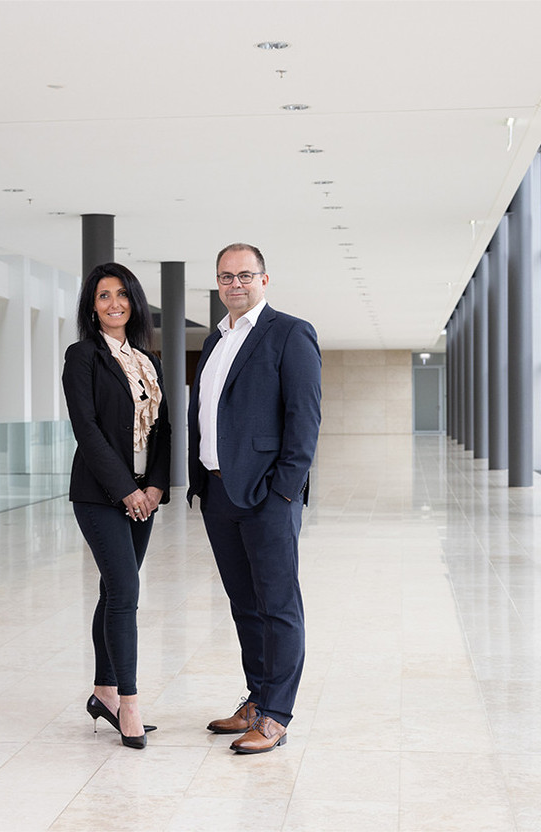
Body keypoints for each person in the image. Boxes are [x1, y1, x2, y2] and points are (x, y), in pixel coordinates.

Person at [187, 243, 322, 754]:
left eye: (245, 275)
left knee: (279, 605)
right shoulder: (215, 340)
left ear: (265, 280)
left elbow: (303, 419)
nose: (235, 284)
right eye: (226, 277)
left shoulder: (289, 332)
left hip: (268, 495)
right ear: (217, 284)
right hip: (219, 490)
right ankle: (258, 696)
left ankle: (277, 715)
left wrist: (284, 491)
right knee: (244, 603)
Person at [62, 262, 171, 750]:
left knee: (113, 590)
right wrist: (126, 489)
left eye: (122, 294)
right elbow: (86, 428)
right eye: (103, 295)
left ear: (135, 302)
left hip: (144, 494)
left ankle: (103, 690)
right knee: (126, 590)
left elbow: (163, 429)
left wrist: (157, 487)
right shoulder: (82, 356)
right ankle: (128, 702)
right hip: (100, 494)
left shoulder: (150, 361)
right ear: (92, 305)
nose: (113, 303)